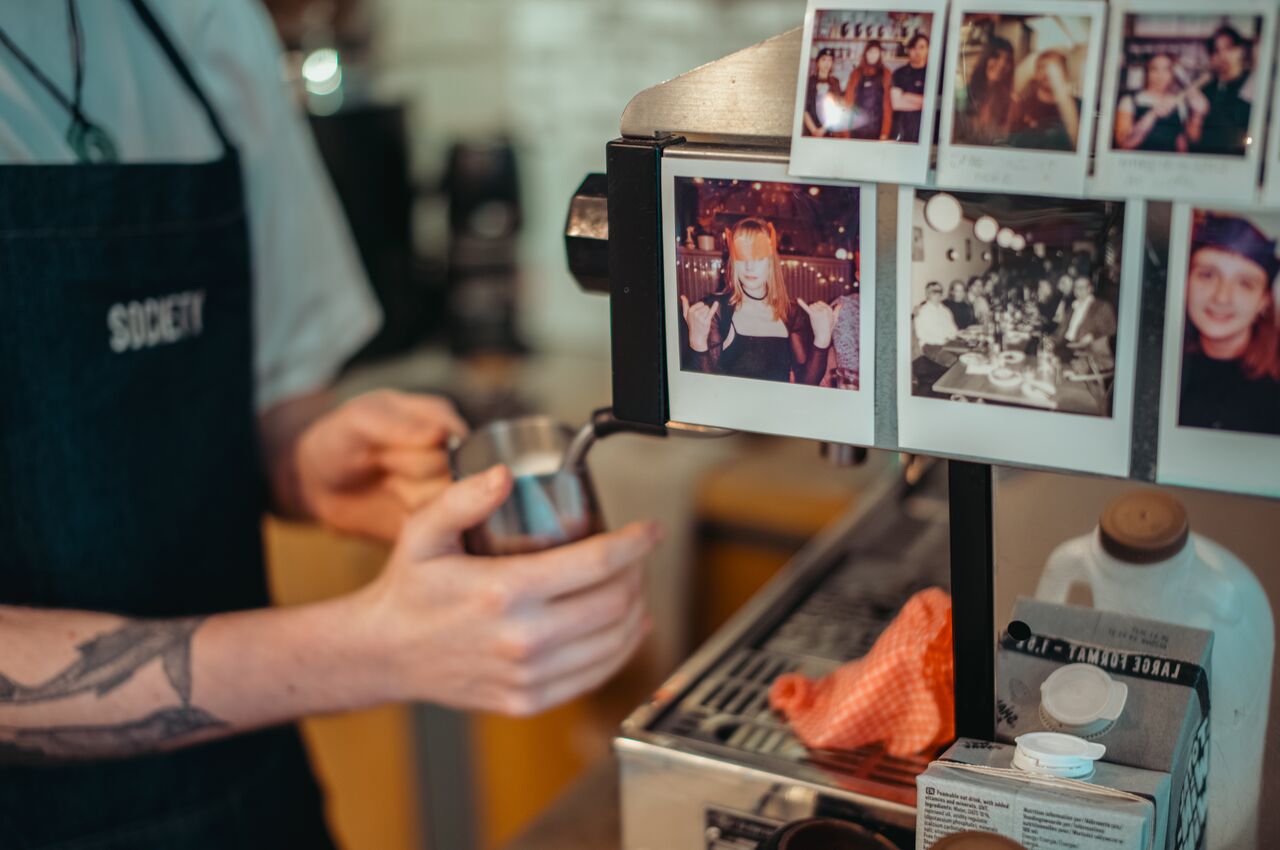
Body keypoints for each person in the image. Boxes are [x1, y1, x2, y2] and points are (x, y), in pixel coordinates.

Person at [0, 3, 658, 847]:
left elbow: (269, 394)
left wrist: (309, 458)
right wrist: (371, 652)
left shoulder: (198, 24)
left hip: (248, 801)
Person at [681, 217, 836, 385]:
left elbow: (806, 384)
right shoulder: (715, 311)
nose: (749, 266)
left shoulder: (791, 313)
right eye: (741, 257)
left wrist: (822, 339)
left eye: (759, 257)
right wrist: (697, 344)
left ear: (771, 262)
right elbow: (708, 391)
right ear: (733, 262)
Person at [1178, 214, 1280, 436]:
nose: (1222, 297)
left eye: (1245, 284)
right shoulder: (1163, 366)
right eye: (1207, 275)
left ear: (1264, 301)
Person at [1114, 53, 1209, 153]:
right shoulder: (1130, 100)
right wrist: (1152, 115)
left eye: (1166, 70)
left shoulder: (1177, 103)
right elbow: (1124, 144)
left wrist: (1198, 114)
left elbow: (1187, 142)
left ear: (1173, 75)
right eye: (1154, 69)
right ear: (1147, 73)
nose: (1160, 75)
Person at [1194, 25, 1255, 157]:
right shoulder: (1206, 89)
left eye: (1229, 48)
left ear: (1241, 50)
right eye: (1216, 51)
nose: (1223, 55)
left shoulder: (1253, 84)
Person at [1007, 50, 1081, 151]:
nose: (1048, 72)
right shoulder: (1023, 106)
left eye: (1055, 68)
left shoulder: (1079, 107)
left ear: (1065, 72)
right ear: (1035, 72)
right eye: (1043, 67)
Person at [954, 36, 1014, 146]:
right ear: (985, 58)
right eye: (996, 56)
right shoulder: (964, 94)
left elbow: (1005, 141)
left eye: (1007, 60)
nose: (1002, 64)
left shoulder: (1010, 103)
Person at [1054, 276, 1117, 366]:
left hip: (1084, 348)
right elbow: (1062, 328)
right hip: (1065, 344)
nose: (1078, 290)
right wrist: (1052, 339)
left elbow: (1112, 328)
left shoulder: (1101, 306)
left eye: (1082, 287)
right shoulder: (1073, 306)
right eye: (1076, 287)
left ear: (1090, 289)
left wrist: (1093, 335)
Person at [844, 42, 893, 141]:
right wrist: (845, 132)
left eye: (876, 52)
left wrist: (885, 132)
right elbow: (848, 101)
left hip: (877, 128)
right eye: (870, 52)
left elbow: (887, 105)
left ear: (880, 54)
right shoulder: (856, 73)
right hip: (856, 127)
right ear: (865, 54)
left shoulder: (886, 73)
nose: (872, 55)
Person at [890, 33, 930, 143]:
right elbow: (896, 104)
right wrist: (923, 102)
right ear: (909, 50)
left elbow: (935, 103)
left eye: (922, 47)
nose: (917, 51)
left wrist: (906, 96)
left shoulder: (934, 74)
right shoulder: (898, 73)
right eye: (914, 48)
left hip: (926, 131)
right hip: (902, 131)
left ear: (928, 50)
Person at [803, 47, 846, 138]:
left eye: (830, 60)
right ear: (817, 62)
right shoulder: (809, 81)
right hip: (810, 130)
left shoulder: (835, 82)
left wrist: (823, 129)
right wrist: (814, 130)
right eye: (824, 59)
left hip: (829, 131)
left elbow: (837, 108)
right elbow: (804, 109)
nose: (827, 63)